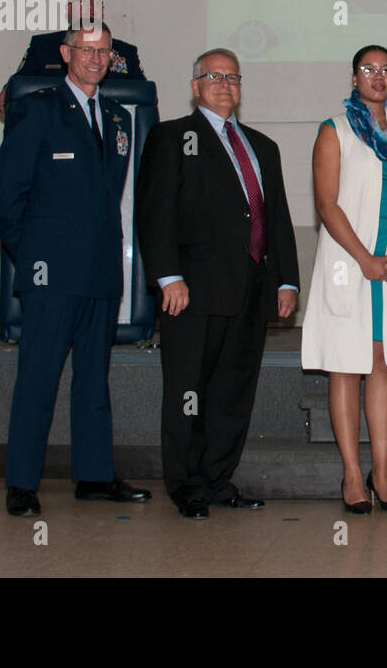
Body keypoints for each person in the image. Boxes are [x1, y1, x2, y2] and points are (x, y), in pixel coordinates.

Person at [0, 22, 151, 516]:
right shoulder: (36, 110)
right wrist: (35, 256)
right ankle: (21, 483)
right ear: (65, 53)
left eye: (103, 51)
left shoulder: (119, 120)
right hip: (50, 275)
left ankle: (95, 475)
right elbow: (7, 198)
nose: (95, 58)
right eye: (85, 50)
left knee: (93, 380)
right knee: (38, 378)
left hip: (102, 273)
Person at [136, 48, 299, 520]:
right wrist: (169, 276)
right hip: (192, 291)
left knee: (232, 391)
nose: (225, 84)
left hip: (251, 288)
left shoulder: (262, 146)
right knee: (188, 389)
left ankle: (217, 478)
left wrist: (286, 281)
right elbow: (155, 211)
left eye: (233, 77)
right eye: (214, 76)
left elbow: (278, 219)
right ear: (195, 86)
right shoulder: (171, 138)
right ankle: (185, 484)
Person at [302, 46, 387, 513]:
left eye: (386, 70)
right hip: (347, 264)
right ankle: (352, 476)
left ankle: (383, 473)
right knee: (346, 364)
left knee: (384, 363)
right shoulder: (333, 131)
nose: (378, 77)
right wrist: (364, 258)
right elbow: (327, 203)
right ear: (354, 77)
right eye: (368, 70)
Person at [0, 0, 144, 115]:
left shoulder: (126, 52)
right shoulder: (43, 46)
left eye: (96, 3)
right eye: (82, 2)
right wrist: (8, 88)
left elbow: (145, 95)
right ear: (68, 9)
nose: (91, 7)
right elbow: (19, 85)